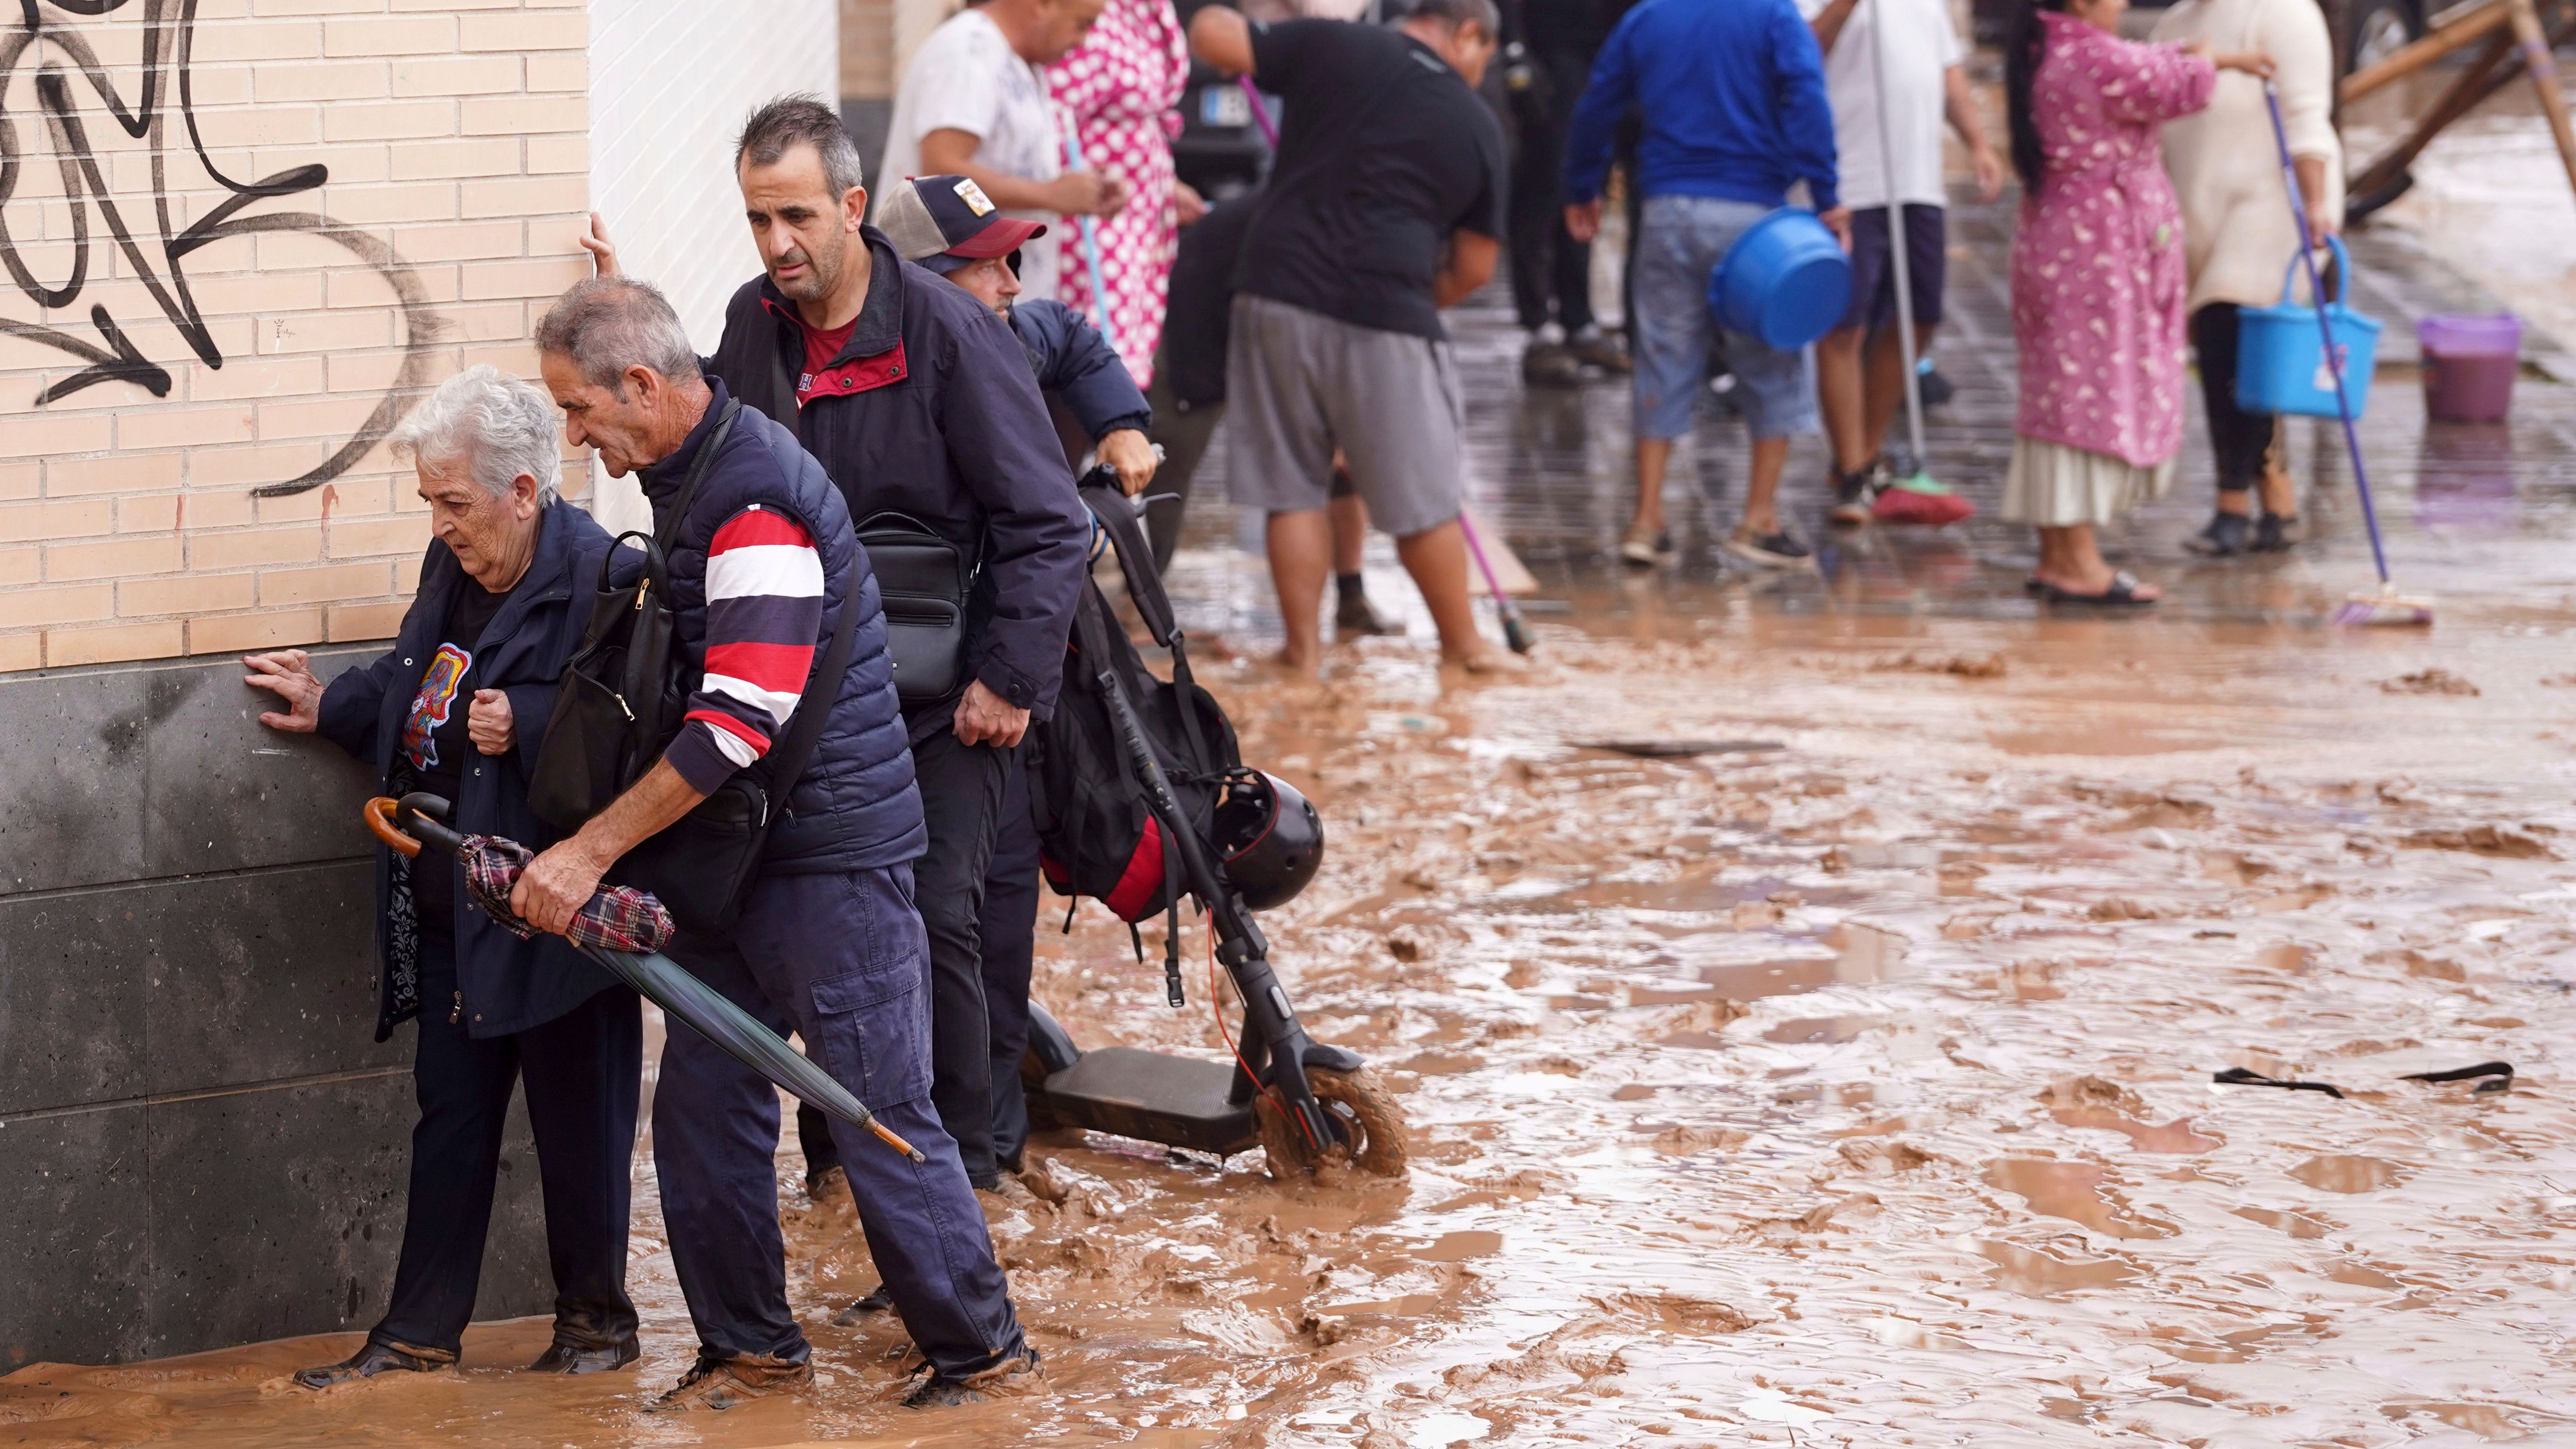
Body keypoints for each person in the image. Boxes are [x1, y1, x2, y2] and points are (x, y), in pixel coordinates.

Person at [522, 276, 1034, 1410]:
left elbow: (734, 727)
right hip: (739, 868)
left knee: (877, 1117)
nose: (572, 432)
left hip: (827, 868)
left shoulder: (751, 504)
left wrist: (585, 853)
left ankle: (984, 1363)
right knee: (702, 1117)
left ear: (642, 388)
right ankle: (752, 1355)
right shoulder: (691, 471)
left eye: (579, 408)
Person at [583, 99, 1090, 1214]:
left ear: (855, 209)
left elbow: (1052, 523)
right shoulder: (751, 324)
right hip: (802, 700)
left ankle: (961, 1175)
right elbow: (697, 441)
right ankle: (839, 1177)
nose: (776, 245)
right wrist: (623, 338)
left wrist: (1008, 681)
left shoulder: (953, 336)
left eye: (797, 217)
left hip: (950, 697)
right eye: (759, 219)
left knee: (932, 913)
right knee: (813, 925)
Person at [244, 367, 643, 1389]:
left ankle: (596, 1334)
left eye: (454, 502)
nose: (440, 522)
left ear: (522, 491)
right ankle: (419, 1336)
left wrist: (536, 723)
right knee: (451, 1121)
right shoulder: (458, 565)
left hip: (554, 909)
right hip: (452, 903)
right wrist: (333, 706)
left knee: (579, 1130)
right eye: (430, 500)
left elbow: (649, 732)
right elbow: (417, 670)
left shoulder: (602, 579)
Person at [1187, 0, 1520, 673]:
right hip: (1389, 309)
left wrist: (1279, 16)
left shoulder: (1334, 46)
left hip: (1274, 290)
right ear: (1466, 32)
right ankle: (1464, 649)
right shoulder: (1478, 123)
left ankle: (1301, 653)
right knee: (1423, 498)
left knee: (1293, 488)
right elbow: (1476, 268)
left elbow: (1211, 36)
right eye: (1484, 53)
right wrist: (1405, 299)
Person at [1561, 0, 1845, 572]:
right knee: (1772, 358)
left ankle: (1646, 520)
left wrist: (1581, 183)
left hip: (1666, 209)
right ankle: (1758, 519)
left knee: (1662, 356)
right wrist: (1826, 194)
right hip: (1754, 219)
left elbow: (1598, 103)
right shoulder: (1773, 16)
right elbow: (1807, 96)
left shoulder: (1649, 17)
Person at [2002, 0, 2267, 604]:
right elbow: (2176, 84)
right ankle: (2078, 560)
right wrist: (2214, 61)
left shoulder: (2050, 45)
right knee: (2088, 398)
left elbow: (2150, 62)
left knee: (2060, 397)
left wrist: (2221, 56)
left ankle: (2059, 554)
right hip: (2094, 252)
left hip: (2059, 240)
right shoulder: (2094, 58)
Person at [1142, 187, 1400, 639]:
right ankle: (1139, 601)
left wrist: (1345, 431)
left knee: (1339, 463)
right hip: (1201, 317)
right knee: (1168, 458)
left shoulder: (1367, 231)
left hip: (1281, 316)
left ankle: (1351, 597)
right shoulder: (1309, 228)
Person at [1801, 0, 2002, 524]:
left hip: (1918, 181)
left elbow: (1948, 77)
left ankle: (1866, 454)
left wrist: (1977, 142)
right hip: (1851, 180)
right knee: (1844, 324)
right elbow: (1803, 54)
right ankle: (1851, 471)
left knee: (1922, 315)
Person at [2154, 0, 2337, 557]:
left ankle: (2232, 504)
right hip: (2200, 209)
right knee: (2234, 359)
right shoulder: (2175, 25)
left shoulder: (2285, 13)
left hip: (2273, 206)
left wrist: (2314, 204)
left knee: (2230, 338)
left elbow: (2307, 116)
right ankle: (2275, 498)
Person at [881, 0, 1132, 303]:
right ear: (1043, 5)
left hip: (987, 299)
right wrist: (1050, 195)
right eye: (1082, 24)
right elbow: (942, 170)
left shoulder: (1014, 58)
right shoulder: (967, 52)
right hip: (957, 307)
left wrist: (1078, 189)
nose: (1083, 41)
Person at [1050, 0, 1201, 383]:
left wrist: (1163, 184)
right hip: (1092, 210)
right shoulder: (1088, 15)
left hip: (1134, 209)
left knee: (1119, 340)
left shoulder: (1146, 8)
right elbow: (1053, 114)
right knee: (1091, 348)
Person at [1501, 0, 1632, 388]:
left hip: (1609, 45)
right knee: (1545, 185)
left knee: (1588, 185)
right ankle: (1538, 322)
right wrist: (1514, 51)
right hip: (1550, 48)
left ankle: (1579, 319)